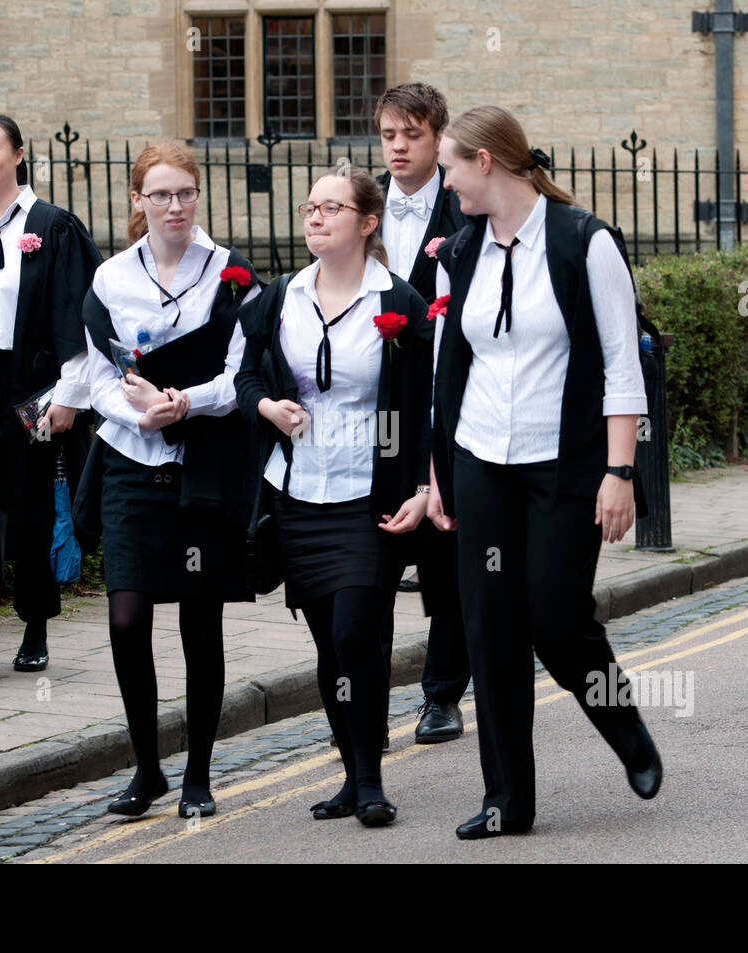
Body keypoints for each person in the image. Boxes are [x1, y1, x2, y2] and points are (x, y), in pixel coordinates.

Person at [427, 105, 662, 840]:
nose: (446, 182)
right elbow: (449, 367)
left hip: (564, 465)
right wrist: (439, 473)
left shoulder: (583, 243)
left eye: (450, 167)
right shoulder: (461, 249)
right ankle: (507, 800)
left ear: (486, 162)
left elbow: (624, 364)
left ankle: (624, 727)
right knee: (489, 627)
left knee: (557, 616)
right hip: (479, 463)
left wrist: (620, 470)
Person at [235, 166, 432, 827]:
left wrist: (425, 485)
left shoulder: (395, 302)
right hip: (297, 494)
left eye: (330, 207)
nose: (315, 216)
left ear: (367, 223)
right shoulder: (277, 299)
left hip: (366, 494)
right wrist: (267, 405)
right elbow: (240, 375)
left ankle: (373, 778)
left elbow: (425, 404)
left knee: (356, 631)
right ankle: (350, 774)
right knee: (329, 645)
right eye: (309, 206)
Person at [78, 143, 261, 820]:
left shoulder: (232, 276)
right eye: (161, 195)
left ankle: (199, 774)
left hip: (202, 462)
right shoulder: (110, 279)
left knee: (198, 620)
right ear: (139, 201)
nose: (176, 206)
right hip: (131, 458)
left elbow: (244, 372)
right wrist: (133, 407)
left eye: (186, 193)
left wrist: (185, 403)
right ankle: (148, 768)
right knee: (126, 618)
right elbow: (94, 369)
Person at [0, 114, 102, 683]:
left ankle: (35, 626)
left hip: (33, 389)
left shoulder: (51, 226)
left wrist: (69, 395)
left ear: (17, 155)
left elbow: (78, 314)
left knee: (31, 504)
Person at [374, 82, 470, 745]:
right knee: (372, 552)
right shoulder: (358, 205)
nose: (400, 146)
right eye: (389, 135)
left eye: (412, 134)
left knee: (446, 558)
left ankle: (441, 695)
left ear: (438, 137)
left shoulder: (464, 213)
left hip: (445, 412)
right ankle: (361, 701)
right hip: (378, 413)